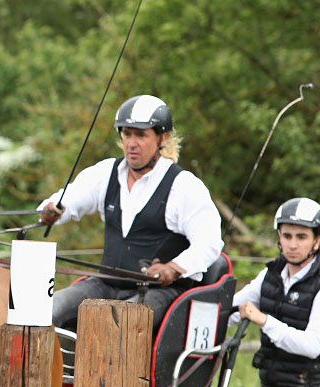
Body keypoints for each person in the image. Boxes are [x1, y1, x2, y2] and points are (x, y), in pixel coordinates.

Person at [39, 94, 223, 332]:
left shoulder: (184, 186)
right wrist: (53, 209)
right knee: (49, 308)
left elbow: (209, 241)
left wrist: (174, 267)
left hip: (158, 293)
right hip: (106, 284)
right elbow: (68, 199)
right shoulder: (106, 173)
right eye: (127, 134)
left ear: (162, 138)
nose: (131, 143)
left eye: (141, 135)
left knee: (118, 324)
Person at [230, 197, 320, 387]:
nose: (293, 244)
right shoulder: (272, 274)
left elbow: (312, 346)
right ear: (279, 237)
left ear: (317, 240)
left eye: (301, 237)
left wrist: (264, 320)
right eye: (287, 236)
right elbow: (233, 308)